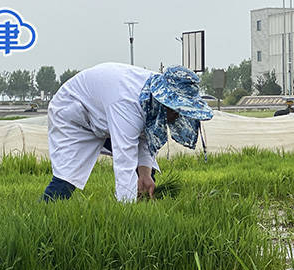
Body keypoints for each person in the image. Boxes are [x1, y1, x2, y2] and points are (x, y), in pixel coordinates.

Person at [42, 63, 213, 202]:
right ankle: (45, 211)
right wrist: (127, 213)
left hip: (102, 111)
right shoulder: (127, 103)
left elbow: (146, 137)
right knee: (67, 178)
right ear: (165, 101)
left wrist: (145, 174)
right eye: (175, 110)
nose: (176, 115)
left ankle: (143, 201)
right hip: (72, 114)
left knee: (146, 171)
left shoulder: (151, 96)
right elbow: (124, 160)